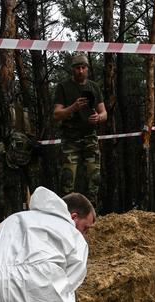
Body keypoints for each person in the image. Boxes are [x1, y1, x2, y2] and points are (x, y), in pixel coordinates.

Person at [53, 53, 107, 206]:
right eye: (77, 68)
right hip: (70, 138)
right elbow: (56, 114)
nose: (81, 71)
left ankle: (92, 215)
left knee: (94, 178)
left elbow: (104, 113)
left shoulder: (94, 87)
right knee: (67, 179)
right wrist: (73, 107)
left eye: (83, 67)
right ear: (73, 69)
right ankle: (66, 216)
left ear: (87, 69)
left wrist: (99, 117)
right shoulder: (63, 87)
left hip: (90, 137)